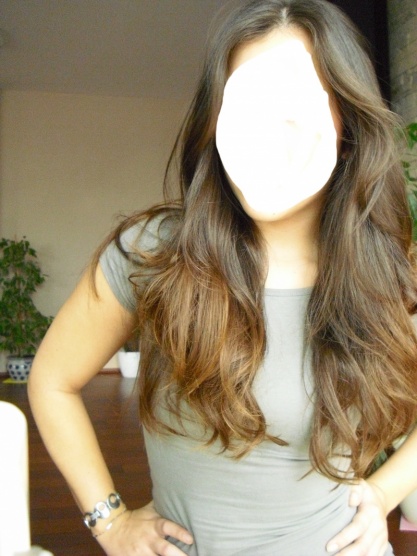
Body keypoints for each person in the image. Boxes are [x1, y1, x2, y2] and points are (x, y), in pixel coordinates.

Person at [28, 0, 417, 555]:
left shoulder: (383, 270)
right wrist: (108, 521)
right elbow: (52, 380)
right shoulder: (154, 252)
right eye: (246, 102)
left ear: (345, 120)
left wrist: (383, 492)